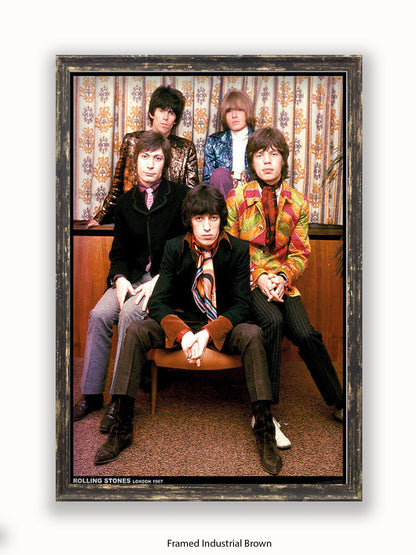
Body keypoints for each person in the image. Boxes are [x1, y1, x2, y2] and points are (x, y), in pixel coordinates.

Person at [93, 184, 283, 476]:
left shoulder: (237, 249)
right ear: (190, 221)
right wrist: (183, 334)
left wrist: (208, 333)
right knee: (135, 331)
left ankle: (264, 429)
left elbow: (242, 305)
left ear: (221, 219)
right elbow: (159, 302)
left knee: (253, 334)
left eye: (213, 218)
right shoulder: (174, 247)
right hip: (184, 322)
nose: (207, 227)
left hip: (220, 323)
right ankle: (122, 426)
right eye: (199, 219)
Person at [226, 127, 344, 424]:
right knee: (273, 321)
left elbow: (300, 253)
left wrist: (281, 277)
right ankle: (265, 412)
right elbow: (229, 248)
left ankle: (340, 403)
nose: (267, 161)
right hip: (248, 281)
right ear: (251, 162)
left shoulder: (298, 202)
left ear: (284, 160)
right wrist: (259, 276)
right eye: (259, 155)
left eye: (273, 154)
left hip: (282, 282)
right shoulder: (237, 197)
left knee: (306, 334)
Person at [73, 131, 188, 431]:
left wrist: (161, 279)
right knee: (99, 315)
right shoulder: (125, 202)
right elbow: (119, 252)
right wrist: (120, 277)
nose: (150, 164)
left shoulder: (180, 197)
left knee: (129, 314)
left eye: (157, 158)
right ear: (135, 161)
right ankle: (92, 395)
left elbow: (186, 248)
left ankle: (119, 400)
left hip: (164, 278)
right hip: (131, 277)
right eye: (145, 157)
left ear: (165, 163)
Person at [88, 85, 198, 226]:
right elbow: (117, 186)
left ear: (176, 119)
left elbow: (191, 194)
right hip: (134, 216)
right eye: (161, 110)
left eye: (171, 113)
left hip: (170, 221)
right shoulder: (132, 142)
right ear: (152, 113)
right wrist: (99, 218)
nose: (165, 117)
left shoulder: (186, 148)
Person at [203, 90, 255, 198]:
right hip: (222, 196)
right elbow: (207, 180)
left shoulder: (259, 139)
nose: (234, 115)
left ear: (248, 112)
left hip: (252, 196)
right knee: (219, 174)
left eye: (239, 110)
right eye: (229, 111)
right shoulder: (214, 141)